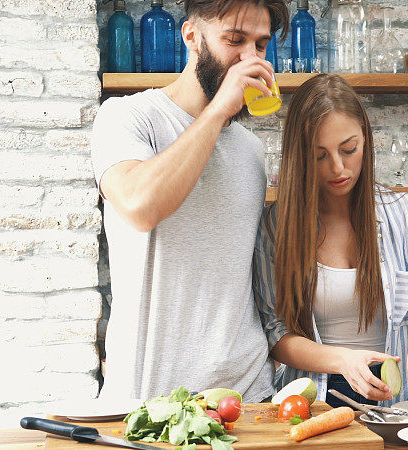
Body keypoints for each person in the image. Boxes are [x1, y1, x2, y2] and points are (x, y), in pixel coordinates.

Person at [90, 0, 289, 402]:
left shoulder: (250, 148)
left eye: (261, 45)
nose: (249, 58)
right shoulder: (128, 117)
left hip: (248, 393)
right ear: (192, 37)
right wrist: (217, 111)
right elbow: (140, 206)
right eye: (234, 40)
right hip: (153, 397)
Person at [253, 74, 408, 409]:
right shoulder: (276, 226)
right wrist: (342, 361)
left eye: (349, 149)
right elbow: (277, 335)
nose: (338, 167)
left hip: (398, 404)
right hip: (311, 404)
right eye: (319, 156)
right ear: (300, 156)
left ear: (366, 138)